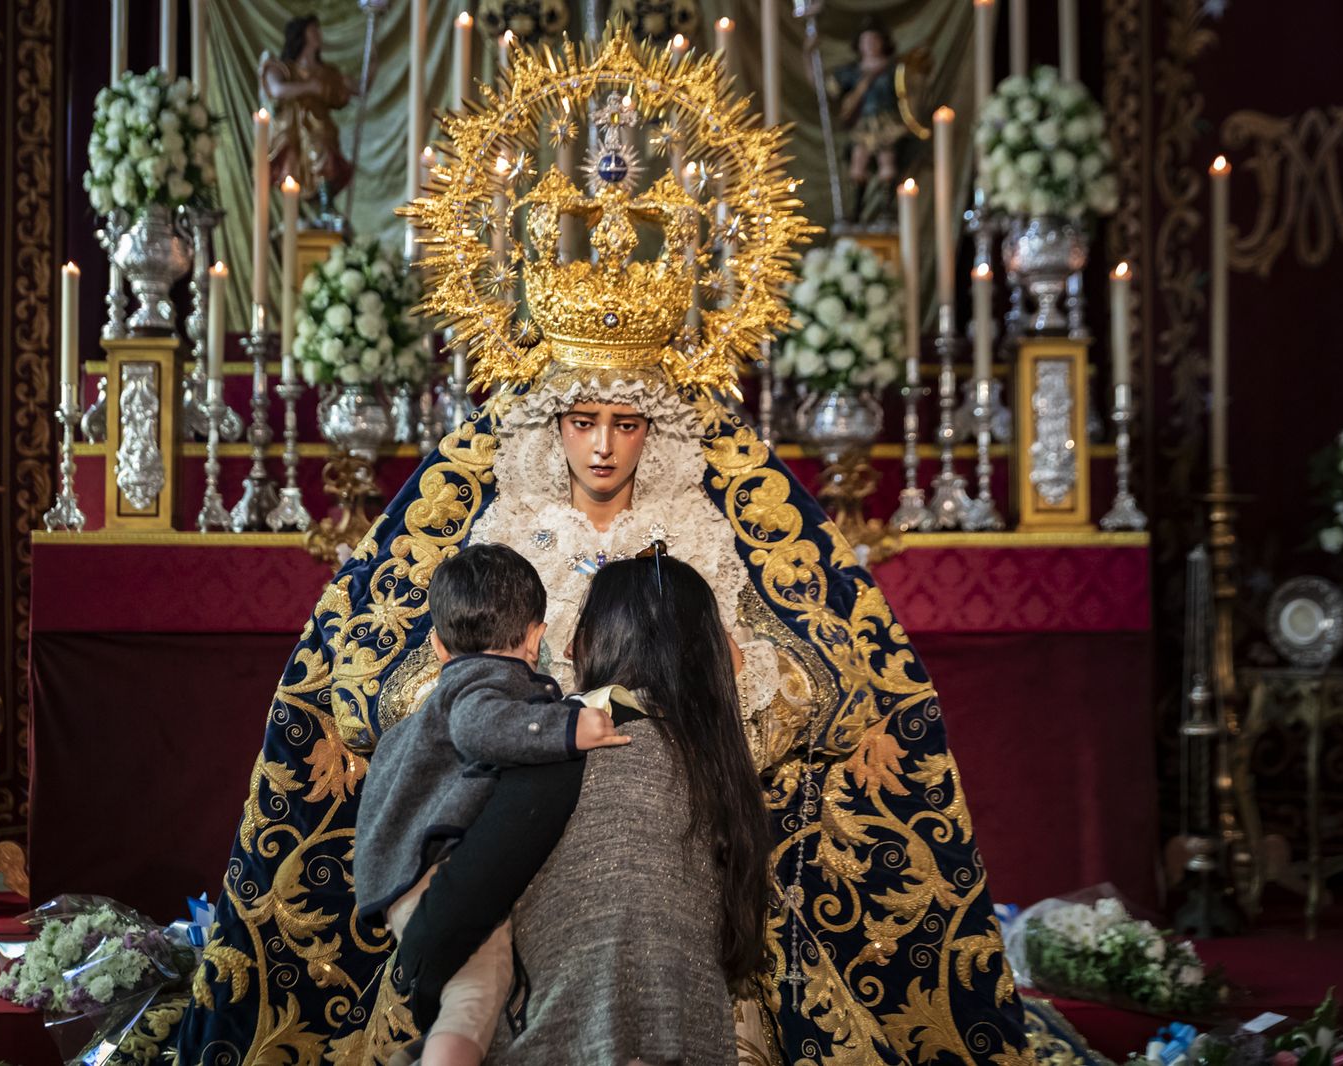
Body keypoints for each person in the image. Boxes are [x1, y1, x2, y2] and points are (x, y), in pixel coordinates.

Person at [168, 35, 1031, 1066]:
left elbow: (802, 669)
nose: (604, 445)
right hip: (525, 799)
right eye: (584, 421)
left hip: (663, 787)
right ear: (553, 425)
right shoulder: (501, 518)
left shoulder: (705, 524)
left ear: (653, 429)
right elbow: (398, 671)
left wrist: (708, 688)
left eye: (626, 423)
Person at [402, 551, 772, 1065]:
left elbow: (461, 903)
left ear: (611, 638)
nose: (572, 649)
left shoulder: (574, 746)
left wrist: (425, 978)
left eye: (586, 629)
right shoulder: (716, 762)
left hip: (564, 1039)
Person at [353, 543, 628, 1066]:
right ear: (535, 636)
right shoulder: (486, 684)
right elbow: (482, 729)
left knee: (470, 991)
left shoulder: (440, 698)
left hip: (398, 870)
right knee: (477, 993)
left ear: (436, 645)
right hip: (432, 870)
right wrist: (569, 726)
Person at [259, 15, 356, 227]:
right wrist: (309, 87)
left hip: (321, 128)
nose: (318, 35)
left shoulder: (327, 73)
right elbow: (276, 89)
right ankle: (299, 214)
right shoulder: (285, 69)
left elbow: (348, 92)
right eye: (314, 31)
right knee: (292, 170)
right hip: (293, 131)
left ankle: (325, 207)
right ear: (302, 35)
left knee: (325, 160)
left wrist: (370, 65)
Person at [827, 17, 910, 225]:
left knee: (886, 162)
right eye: (867, 41)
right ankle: (857, 209)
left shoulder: (894, 70)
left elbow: (908, 94)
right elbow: (827, 87)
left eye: (875, 40)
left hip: (885, 121)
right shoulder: (853, 72)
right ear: (860, 45)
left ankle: (887, 207)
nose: (871, 45)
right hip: (862, 124)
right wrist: (808, 56)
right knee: (858, 163)